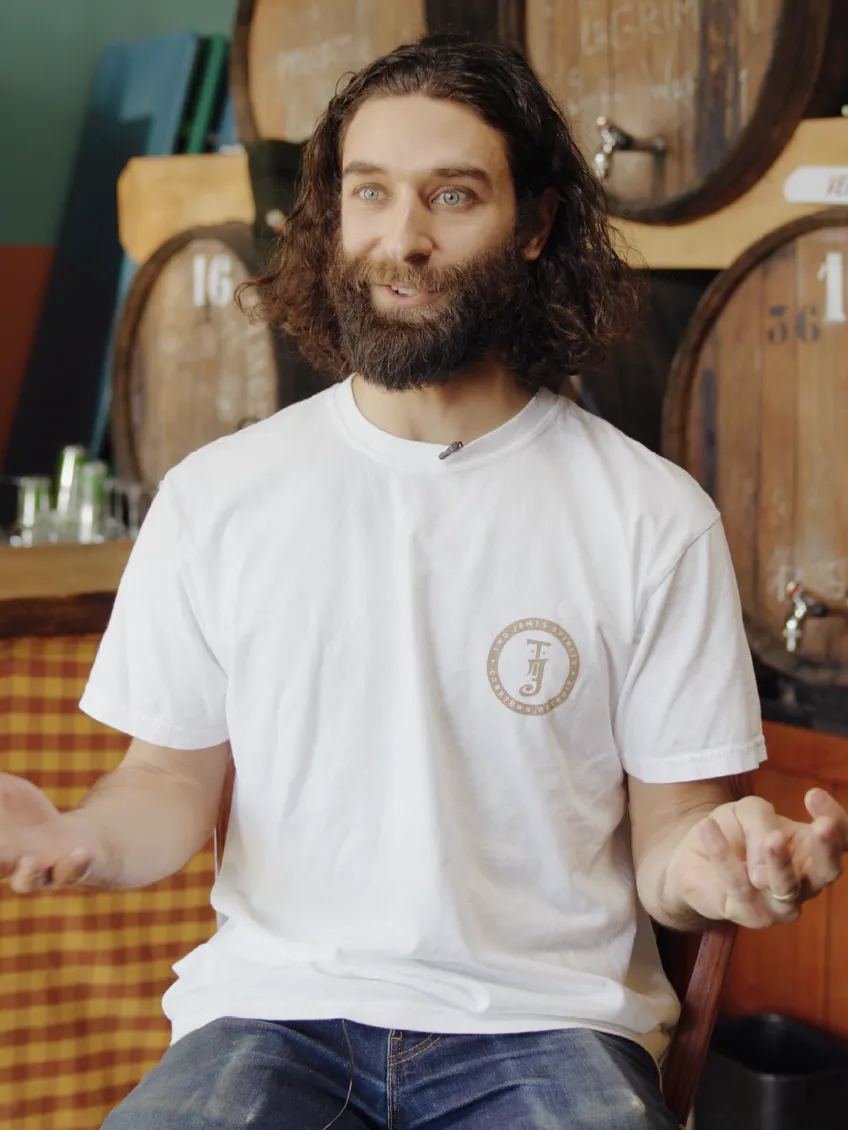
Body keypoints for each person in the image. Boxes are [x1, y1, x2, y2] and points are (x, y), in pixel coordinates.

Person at [2, 35, 846, 1130]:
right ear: (333, 216)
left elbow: (672, 838)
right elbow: (166, 782)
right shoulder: (220, 497)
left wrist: (723, 869)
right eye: (370, 194)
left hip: (544, 1024)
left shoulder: (649, 516)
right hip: (272, 1014)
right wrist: (79, 835)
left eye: (452, 195)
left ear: (534, 224)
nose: (400, 239)